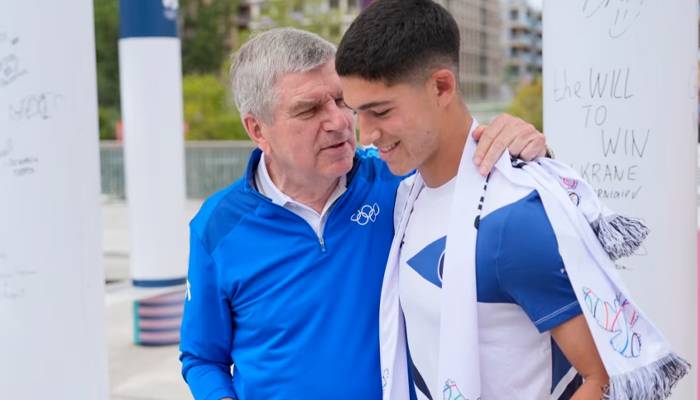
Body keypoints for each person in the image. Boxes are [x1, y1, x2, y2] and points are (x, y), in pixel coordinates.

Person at [336, 1, 689, 400]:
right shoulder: (404, 193)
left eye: (380, 112)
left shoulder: (513, 217)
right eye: (357, 114)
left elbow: (603, 376)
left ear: (442, 87)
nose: (366, 134)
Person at [179, 27, 549, 400]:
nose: (339, 122)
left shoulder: (399, 178)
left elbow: (488, 178)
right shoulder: (217, 227)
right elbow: (201, 357)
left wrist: (520, 143)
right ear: (257, 129)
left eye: (342, 101)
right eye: (309, 110)